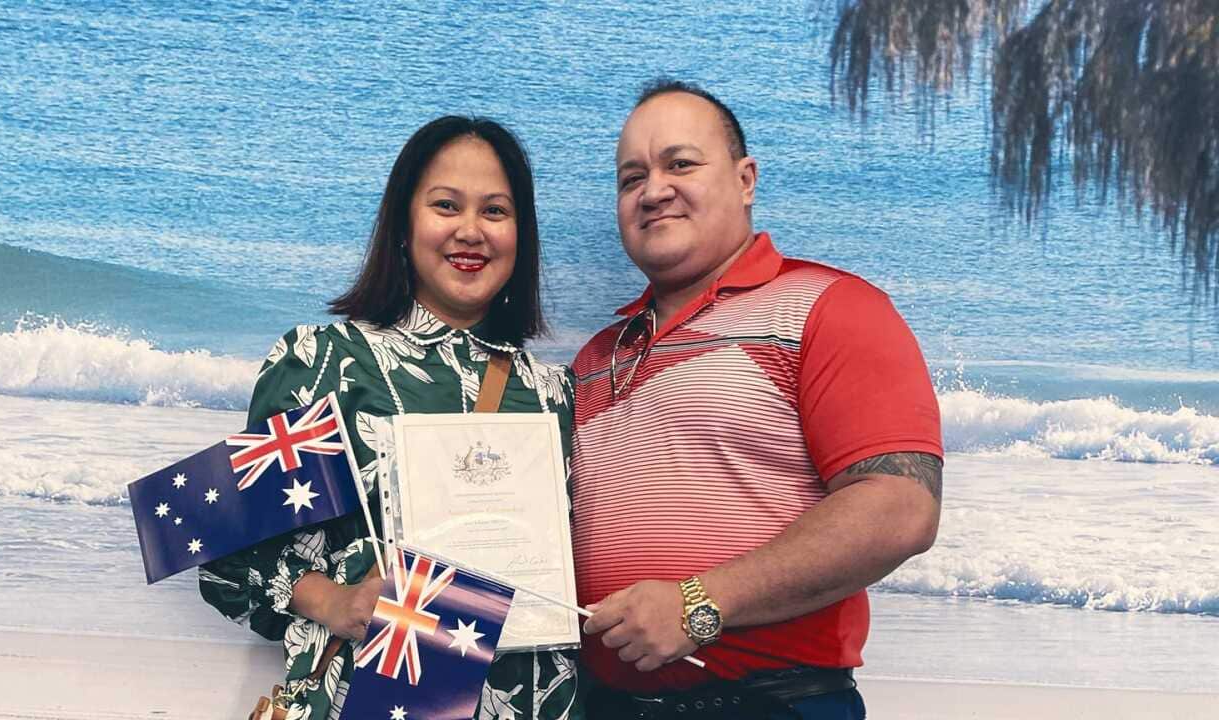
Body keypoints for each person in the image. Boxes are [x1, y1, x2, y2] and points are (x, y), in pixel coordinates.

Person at [570, 80, 944, 719]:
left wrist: (697, 603)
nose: (653, 189)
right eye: (631, 177)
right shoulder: (596, 357)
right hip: (603, 704)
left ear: (745, 179)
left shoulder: (832, 308)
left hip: (767, 705)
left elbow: (899, 508)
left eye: (680, 164)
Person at [199, 116, 581, 720]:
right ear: (404, 224)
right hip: (370, 701)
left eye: (496, 211)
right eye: (446, 205)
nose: (471, 230)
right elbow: (227, 560)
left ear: (521, 234)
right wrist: (333, 600)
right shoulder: (329, 363)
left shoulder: (554, 394)